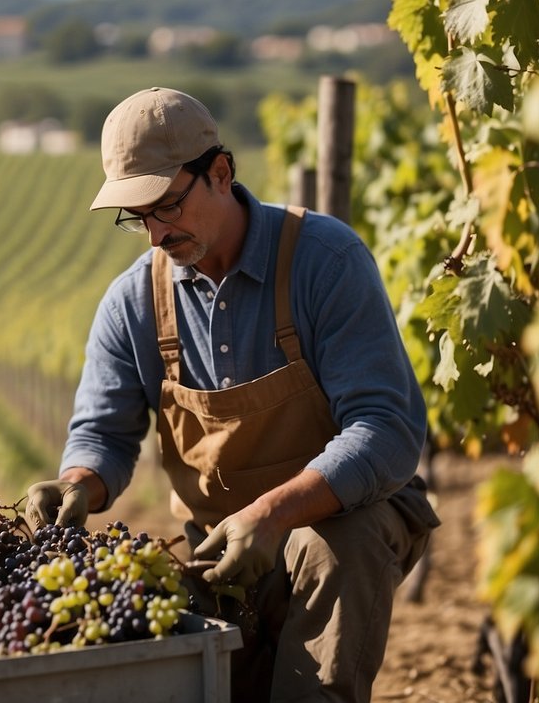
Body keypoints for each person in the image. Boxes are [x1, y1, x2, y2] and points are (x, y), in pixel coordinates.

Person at [24, 87, 439, 702]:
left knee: (330, 553)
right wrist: (78, 482)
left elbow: (385, 429)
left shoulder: (325, 261)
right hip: (217, 544)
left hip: (344, 519)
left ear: (220, 172)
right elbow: (104, 434)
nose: (155, 234)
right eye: (138, 217)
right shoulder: (134, 300)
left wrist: (271, 515)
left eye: (166, 206)